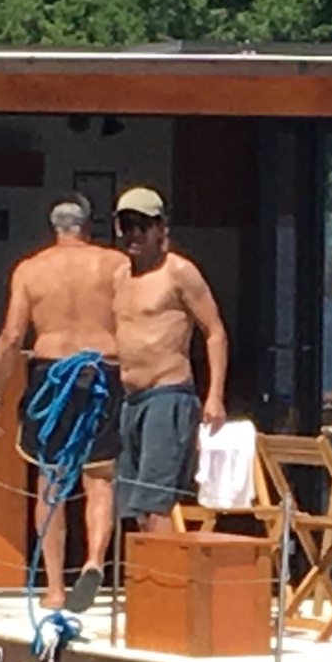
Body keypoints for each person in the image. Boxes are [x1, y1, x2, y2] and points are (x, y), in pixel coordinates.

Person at [0, 195, 125, 612]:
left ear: (54, 228)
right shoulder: (114, 265)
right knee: (100, 477)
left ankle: (56, 587)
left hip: (51, 372)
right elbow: (132, 321)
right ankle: (95, 560)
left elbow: (10, 337)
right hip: (102, 368)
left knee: (52, 480)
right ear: (87, 227)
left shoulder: (30, 269)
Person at [109, 186, 228, 532]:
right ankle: (145, 580)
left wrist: (215, 396)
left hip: (167, 393)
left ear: (161, 227)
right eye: (126, 225)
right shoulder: (119, 275)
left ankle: (164, 583)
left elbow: (215, 331)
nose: (133, 234)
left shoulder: (179, 272)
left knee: (156, 502)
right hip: (130, 399)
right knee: (133, 505)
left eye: (141, 225)